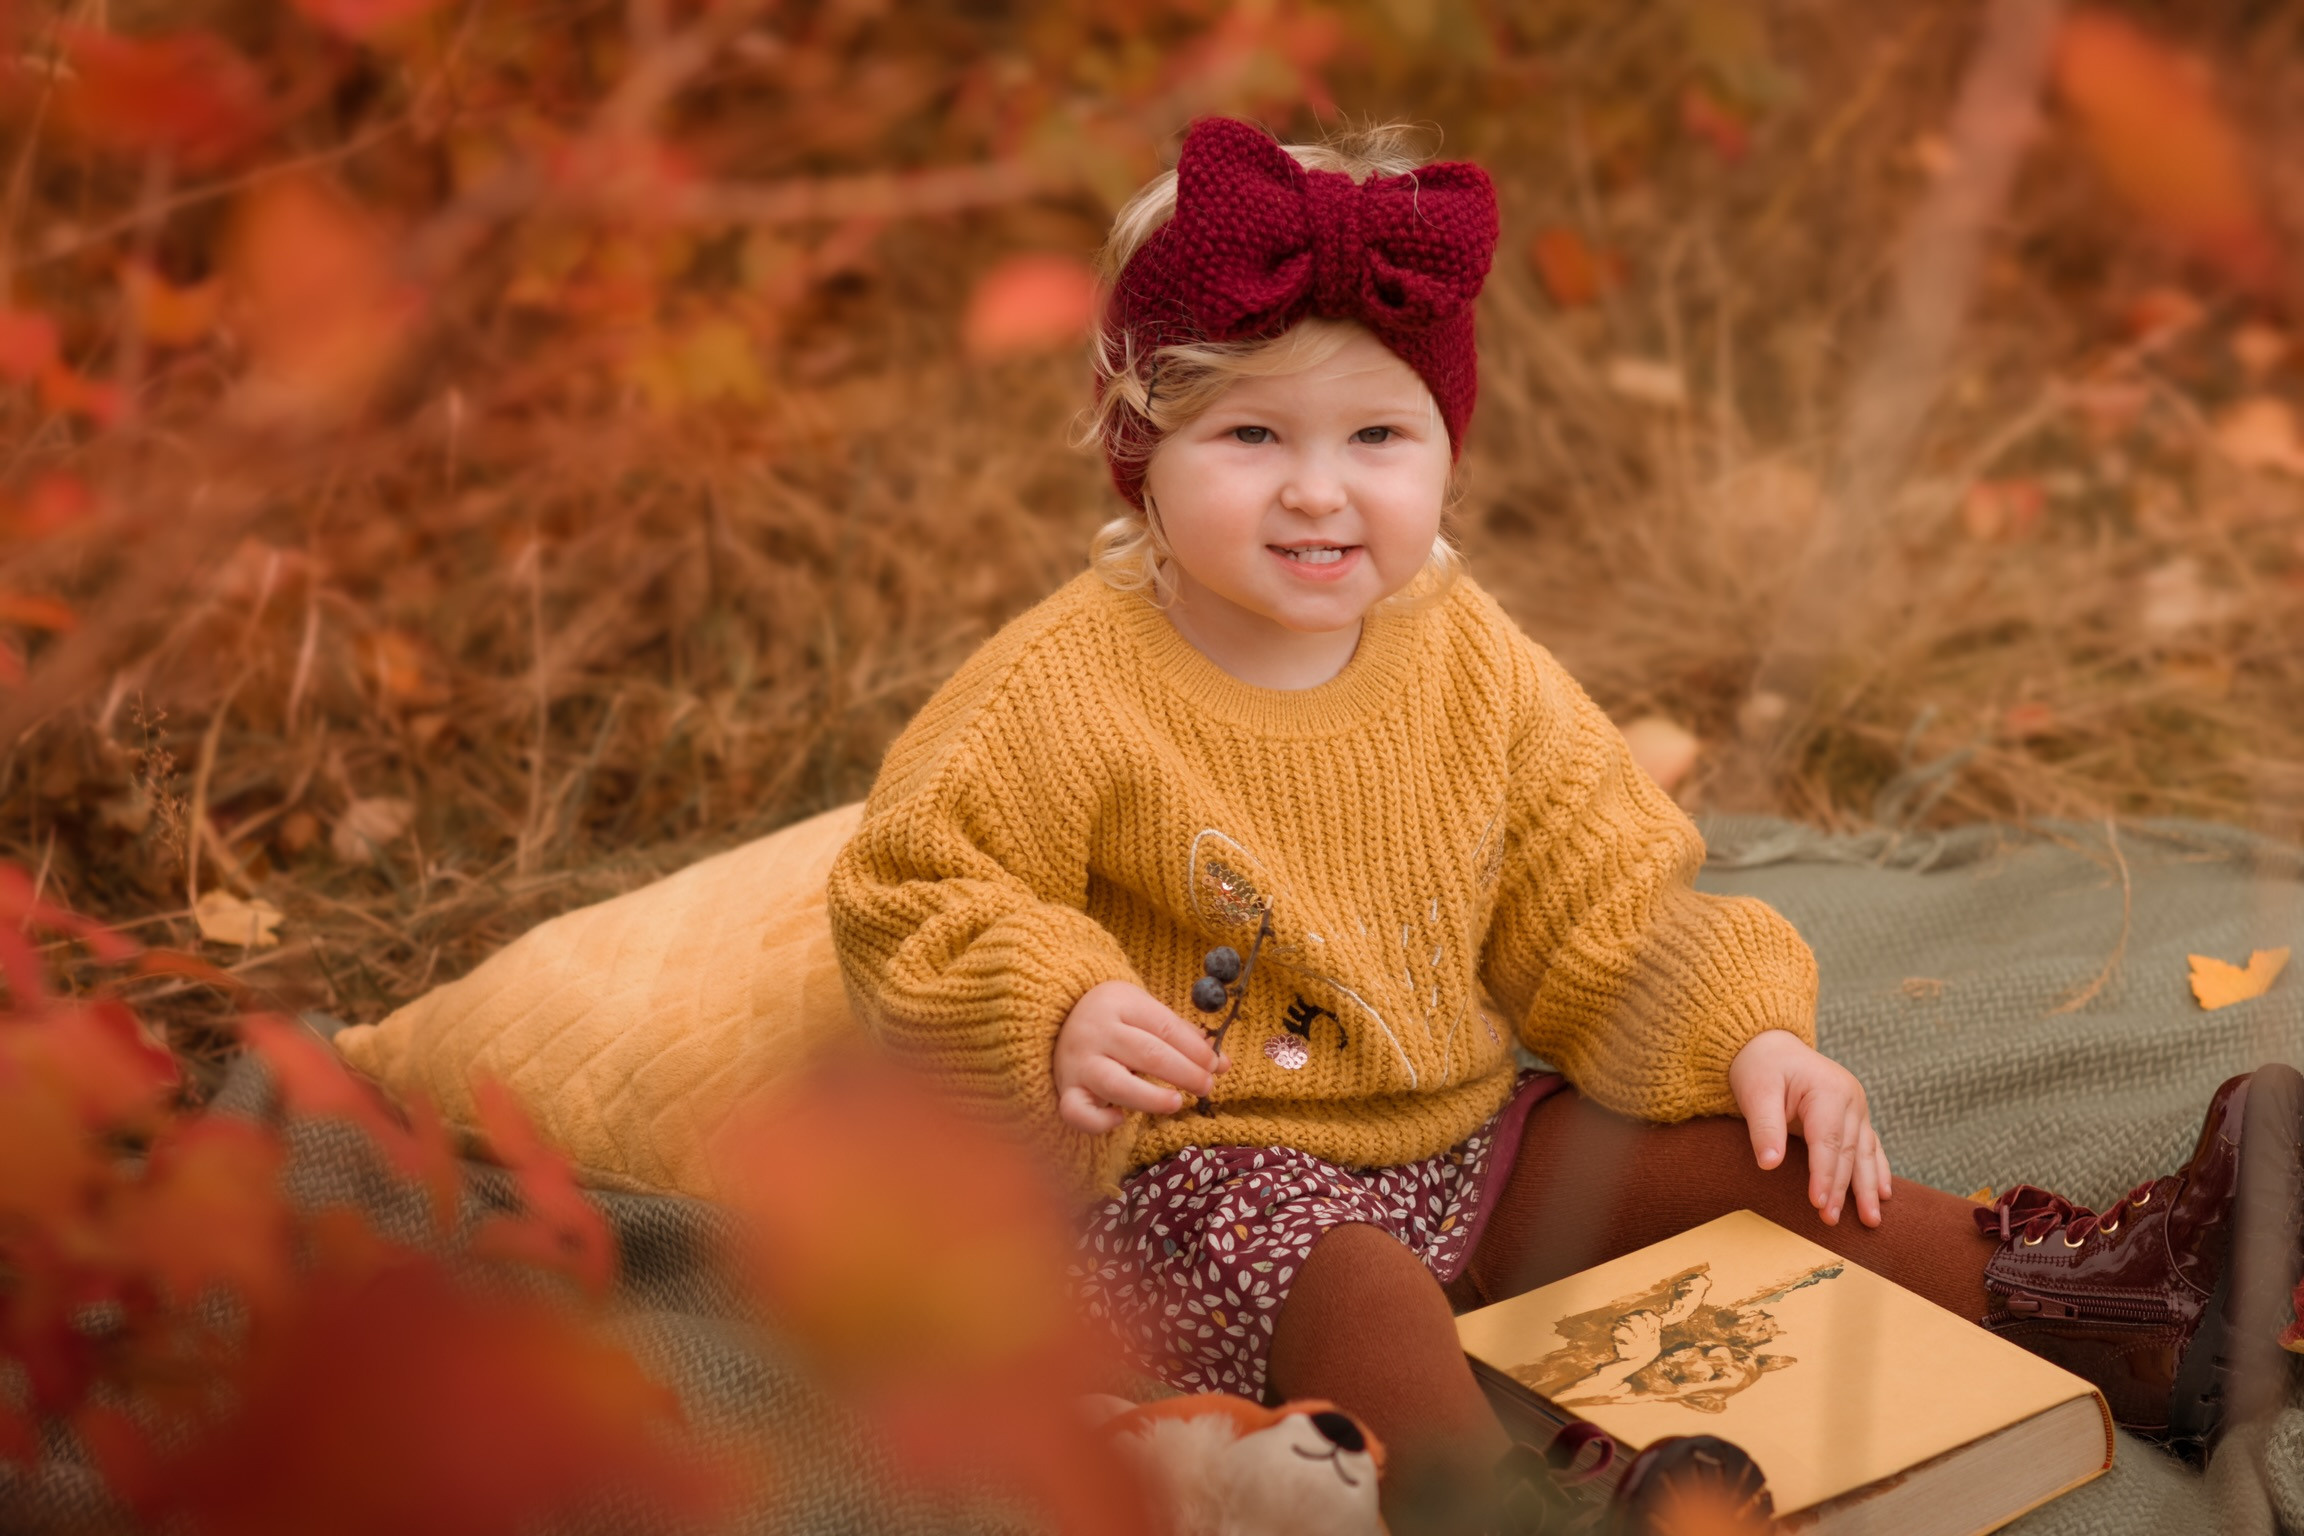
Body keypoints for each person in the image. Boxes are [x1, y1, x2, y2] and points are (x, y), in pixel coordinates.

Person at [826, 115, 2301, 1531]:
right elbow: (918, 892)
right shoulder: (1066, 683)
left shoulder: (1462, 655)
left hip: (1461, 1142)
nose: (1320, 490)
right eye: (1252, 433)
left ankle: (2121, 1320)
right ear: (1141, 447)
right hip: (1197, 1189)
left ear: (1446, 444)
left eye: (1379, 434)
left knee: (1750, 1157)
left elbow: (1597, 886)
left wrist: (1745, 1035)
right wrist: (1053, 1007)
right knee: (1361, 1288)